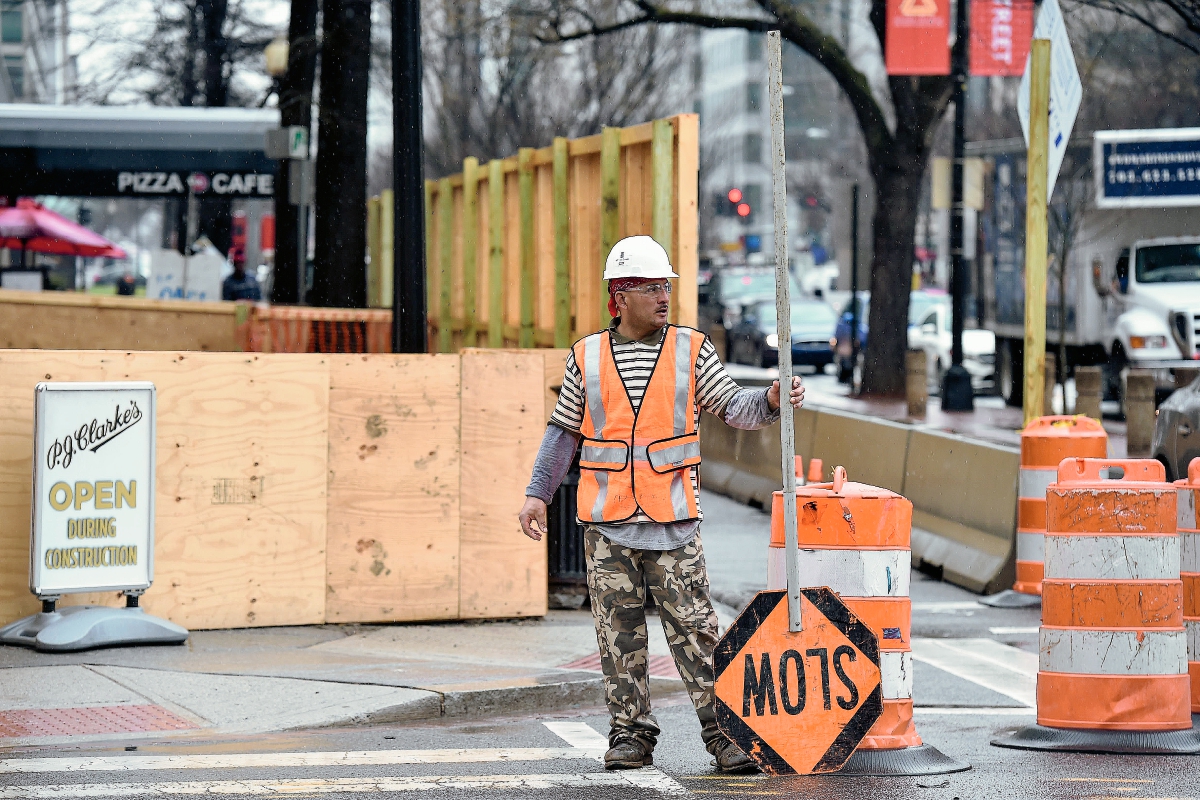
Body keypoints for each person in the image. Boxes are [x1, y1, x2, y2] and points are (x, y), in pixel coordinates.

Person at [518, 235, 803, 773]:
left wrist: (768, 400)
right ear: (619, 296)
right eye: (651, 288)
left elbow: (735, 407)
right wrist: (538, 494)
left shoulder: (691, 351)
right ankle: (630, 735)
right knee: (618, 639)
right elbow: (563, 433)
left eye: (666, 286)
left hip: (673, 521)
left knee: (696, 635)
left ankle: (724, 737)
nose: (664, 296)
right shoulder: (588, 356)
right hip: (608, 527)